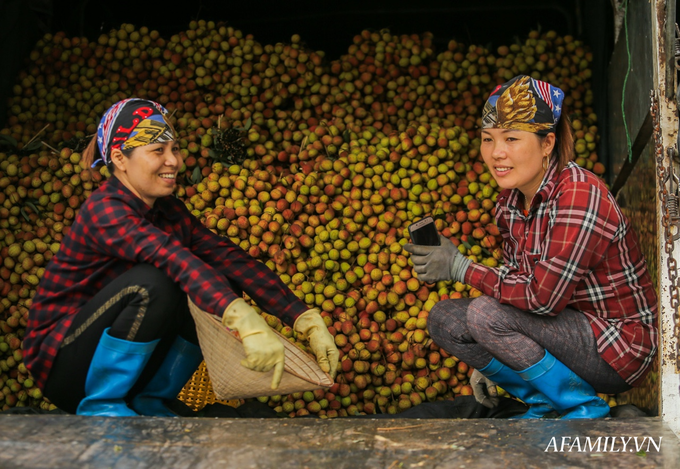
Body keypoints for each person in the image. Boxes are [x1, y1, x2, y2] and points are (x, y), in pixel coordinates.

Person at [24, 98, 339, 417]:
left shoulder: (169, 211)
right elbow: (170, 257)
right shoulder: (104, 209)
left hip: (128, 366)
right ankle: (101, 405)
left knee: (220, 280)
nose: (173, 161)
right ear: (120, 158)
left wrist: (304, 318)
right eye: (157, 151)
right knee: (156, 281)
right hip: (64, 364)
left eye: (174, 149)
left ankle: (152, 399)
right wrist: (243, 319)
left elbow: (229, 258)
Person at [404, 75, 658, 419]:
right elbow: (514, 282)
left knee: (484, 314)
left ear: (547, 143)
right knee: (445, 319)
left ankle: (584, 410)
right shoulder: (510, 203)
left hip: (618, 348)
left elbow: (542, 299)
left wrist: (459, 267)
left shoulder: (579, 194)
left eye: (511, 138)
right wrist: (494, 360)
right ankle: (544, 403)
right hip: (567, 332)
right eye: (487, 139)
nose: (497, 153)